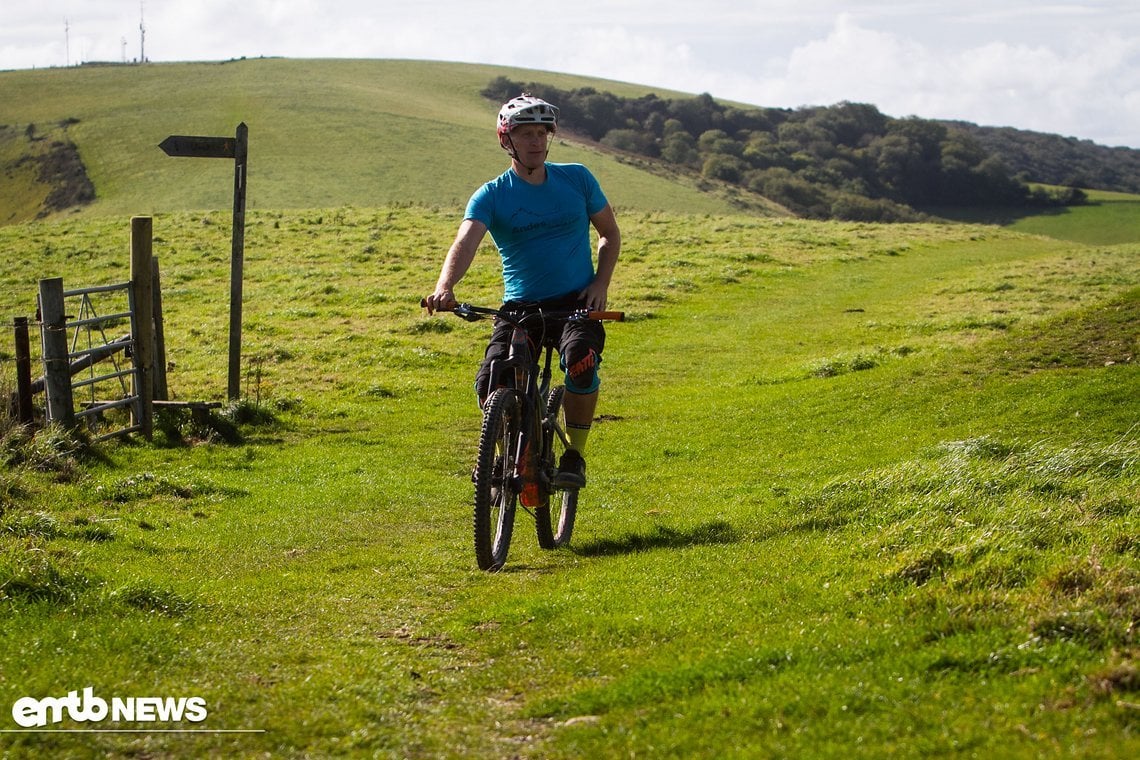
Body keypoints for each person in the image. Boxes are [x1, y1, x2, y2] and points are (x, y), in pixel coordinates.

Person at [424, 93, 621, 489]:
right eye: (525, 134)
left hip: (575, 303)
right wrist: (445, 286)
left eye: (541, 134)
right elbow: (465, 243)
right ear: (506, 140)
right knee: (493, 382)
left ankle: (574, 455)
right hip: (520, 307)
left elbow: (609, 233)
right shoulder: (492, 195)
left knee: (581, 362)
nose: (536, 142)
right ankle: (499, 458)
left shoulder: (577, 178)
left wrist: (601, 283)